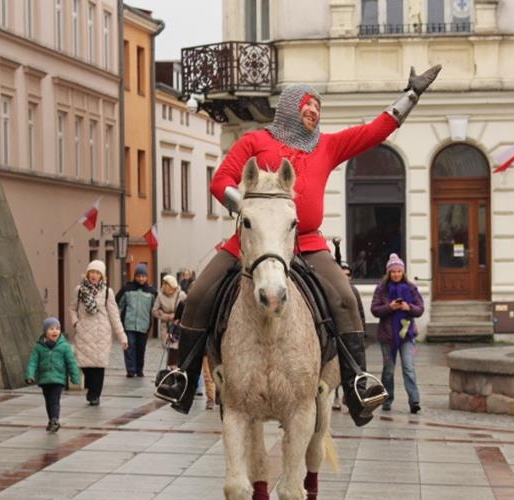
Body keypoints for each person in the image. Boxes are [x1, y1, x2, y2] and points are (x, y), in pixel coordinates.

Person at [157, 64, 441, 425]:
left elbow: (373, 132)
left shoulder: (327, 146)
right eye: (307, 105)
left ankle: (357, 382)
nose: (313, 111)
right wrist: (247, 210)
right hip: (252, 242)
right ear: (290, 109)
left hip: (307, 242)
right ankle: (183, 378)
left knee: (345, 296)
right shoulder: (255, 142)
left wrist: (411, 95)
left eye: (317, 107)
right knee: (199, 294)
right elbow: (221, 181)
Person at [370, 253, 425, 413]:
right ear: (389, 273)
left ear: (403, 272)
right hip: (387, 336)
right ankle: (387, 400)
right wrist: (390, 307)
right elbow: (374, 310)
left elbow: (420, 308)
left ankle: (414, 401)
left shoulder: (411, 288)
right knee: (388, 370)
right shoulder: (381, 288)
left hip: (406, 335)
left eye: (399, 271)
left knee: (409, 368)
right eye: (393, 271)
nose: (396, 274)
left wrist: (409, 307)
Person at [69, 260, 128, 406]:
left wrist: (122, 337)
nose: (94, 275)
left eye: (97, 273)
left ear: (102, 276)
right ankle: (91, 387)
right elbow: (72, 308)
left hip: (102, 334)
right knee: (85, 364)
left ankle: (95, 395)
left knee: (99, 366)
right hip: (84, 333)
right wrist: (76, 322)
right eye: (92, 272)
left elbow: (114, 316)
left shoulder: (107, 292)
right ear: (87, 273)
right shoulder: (79, 290)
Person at [25, 317, 81, 432]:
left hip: (58, 379)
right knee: (48, 401)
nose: (55, 331)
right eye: (51, 329)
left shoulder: (64, 346)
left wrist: (75, 377)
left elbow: (71, 362)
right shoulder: (39, 347)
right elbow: (32, 362)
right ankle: (51, 420)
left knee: (55, 400)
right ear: (45, 331)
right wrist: (30, 375)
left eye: (57, 329)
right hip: (44, 379)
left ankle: (55, 419)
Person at [333, 260, 366, 411]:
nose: (345, 277)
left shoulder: (354, 291)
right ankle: (335, 396)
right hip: (335, 334)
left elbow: (360, 313)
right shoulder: (330, 289)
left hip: (351, 334)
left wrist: (362, 333)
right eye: (342, 274)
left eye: (347, 275)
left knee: (353, 366)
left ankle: (352, 396)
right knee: (334, 367)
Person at [116, 263, 157, 377]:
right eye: (138, 276)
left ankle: (139, 369)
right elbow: (118, 302)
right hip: (128, 324)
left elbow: (156, 307)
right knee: (129, 347)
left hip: (144, 324)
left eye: (143, 276)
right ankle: (130, 370)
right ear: (135, 276)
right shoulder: (127, 289)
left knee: (141, 348)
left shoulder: (151, 291)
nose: (141, 278)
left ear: (147, 277)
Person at [152, 274, 187, 368]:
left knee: (176, 349)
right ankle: (173, 370)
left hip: (178, 326)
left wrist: (175, 316)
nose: (167, 288)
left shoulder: (181, 295)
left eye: (169, 286)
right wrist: (167, 316)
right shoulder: (160, 295)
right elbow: (154, 311)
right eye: (165, 285)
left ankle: (176, 369)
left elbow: (186, 310)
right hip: (166, 327)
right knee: (169, 349)